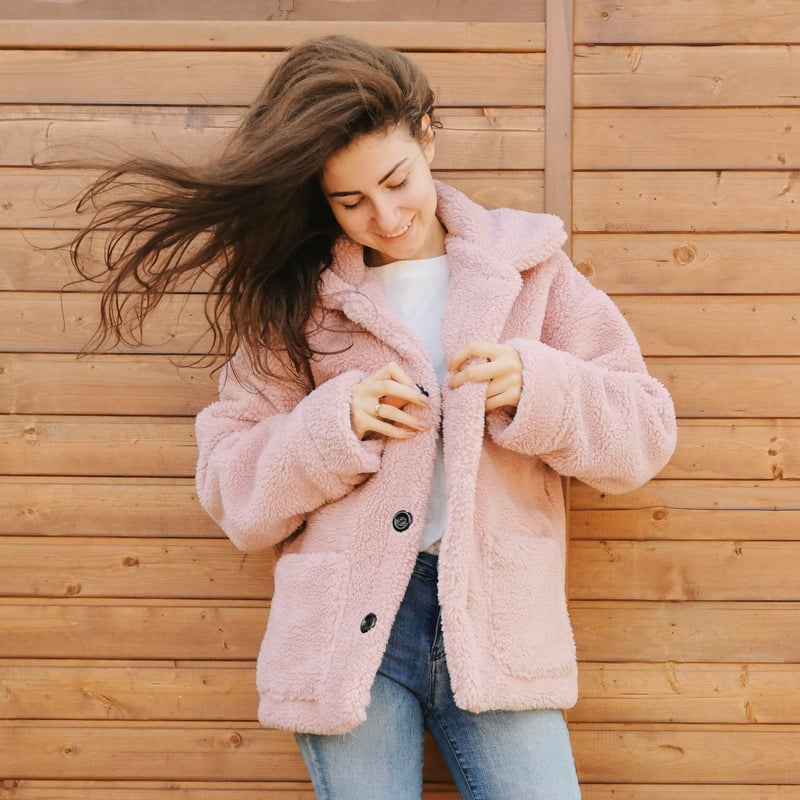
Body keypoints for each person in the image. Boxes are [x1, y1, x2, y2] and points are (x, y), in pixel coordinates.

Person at [69, 35, 677, 800]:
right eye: (350, 201)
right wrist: (333, 427)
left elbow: (645, 432)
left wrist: (539, 388)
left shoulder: (529, 270)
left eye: (397, 180)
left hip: (495, 621)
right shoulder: (300, 301)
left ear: (428, 133)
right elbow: (230, 486)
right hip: (348, 628)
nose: (386, 217)